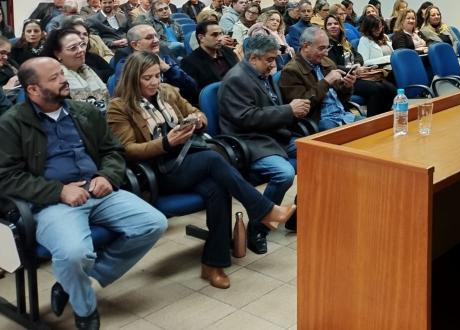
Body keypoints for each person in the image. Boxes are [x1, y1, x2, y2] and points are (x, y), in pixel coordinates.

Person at [0, 57, 167, 330]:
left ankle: (77, 281)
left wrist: (107, 176)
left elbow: (112, 151)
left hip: (98, 190)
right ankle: (85, 307)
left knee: (153, 223)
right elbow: (6, 177)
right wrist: (59, 191)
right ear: (32, 89)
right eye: (53, 78)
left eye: (61, 73)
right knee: (75, 253)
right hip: (52, 202)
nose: (63, 79)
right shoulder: (12, 123)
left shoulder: (82, 111)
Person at [107, 51, 295, 289]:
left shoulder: (168, 92)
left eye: (157, 76)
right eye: (147, 78)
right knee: (214, 160)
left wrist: (196, 121)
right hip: (159, 169)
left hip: (188, 158)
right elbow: (128, 150)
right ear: (133, 79)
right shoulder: (119, 107)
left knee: (217, 187)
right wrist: (166, 143)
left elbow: (198, 112)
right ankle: (263, 209)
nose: (155, 82)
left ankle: (213, 263)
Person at [219, 34, 309, 250]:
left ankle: (297, 215)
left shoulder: (261, 73)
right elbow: (246, 118)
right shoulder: (236, 79)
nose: (274, 64)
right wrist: (288, 110)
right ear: (252, 59)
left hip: (273, 135)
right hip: (249, 141)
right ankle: (257, 228)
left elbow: (268, 106)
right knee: (284, 173)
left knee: (318, 154)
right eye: (269, 59)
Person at [279, 26, 361, 130]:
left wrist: (347, 86)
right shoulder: (291, 71)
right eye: (321, 48)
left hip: (343, 115)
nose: (326, 53)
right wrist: (326, 82)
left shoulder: (327, 63)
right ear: (306, 47)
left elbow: (343, 99)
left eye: (327, 48)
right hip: (319, 120)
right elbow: (301, 107)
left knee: (372, 127)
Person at [326, 14, 394, 115]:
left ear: (340, 26)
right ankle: (372, 122)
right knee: (376, 89)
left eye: (336, 23)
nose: (333, 26)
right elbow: (333, 66)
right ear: (325, 27)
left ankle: (384, 119)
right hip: (344, 79)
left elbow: (358, 56)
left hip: (357, 75)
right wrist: (353, 70)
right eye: (329, 24)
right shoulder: (327, 44)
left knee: (391, 89)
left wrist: (357, 63)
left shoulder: (345, 41)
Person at [114, 24, 198, 104]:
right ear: (135, 45)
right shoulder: (126, 65)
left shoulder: (164, 56)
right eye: (149, 37)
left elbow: (191, 87)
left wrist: (168, 69)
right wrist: (169, 91)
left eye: (156, 36)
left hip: (178, 103)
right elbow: (133, 96)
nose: (156, 40)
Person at [43, 29, 110, 112]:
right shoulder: (56, 83)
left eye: (82, 45)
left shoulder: (90, 70)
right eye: (73, 48)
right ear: (57, 54)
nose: (81, 50)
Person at [180, 20, 238, 90]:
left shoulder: (227, 51)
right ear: (201, 38)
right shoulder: (189, 62)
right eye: (214, 35)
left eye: (220, 34)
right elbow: (193, 92)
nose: (220, 38)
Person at [59, 16, 114, 81]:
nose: (82, 37)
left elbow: (111, 73)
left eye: (85, 34)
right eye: (77, 33)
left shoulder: (93, 56)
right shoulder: (62, 64)